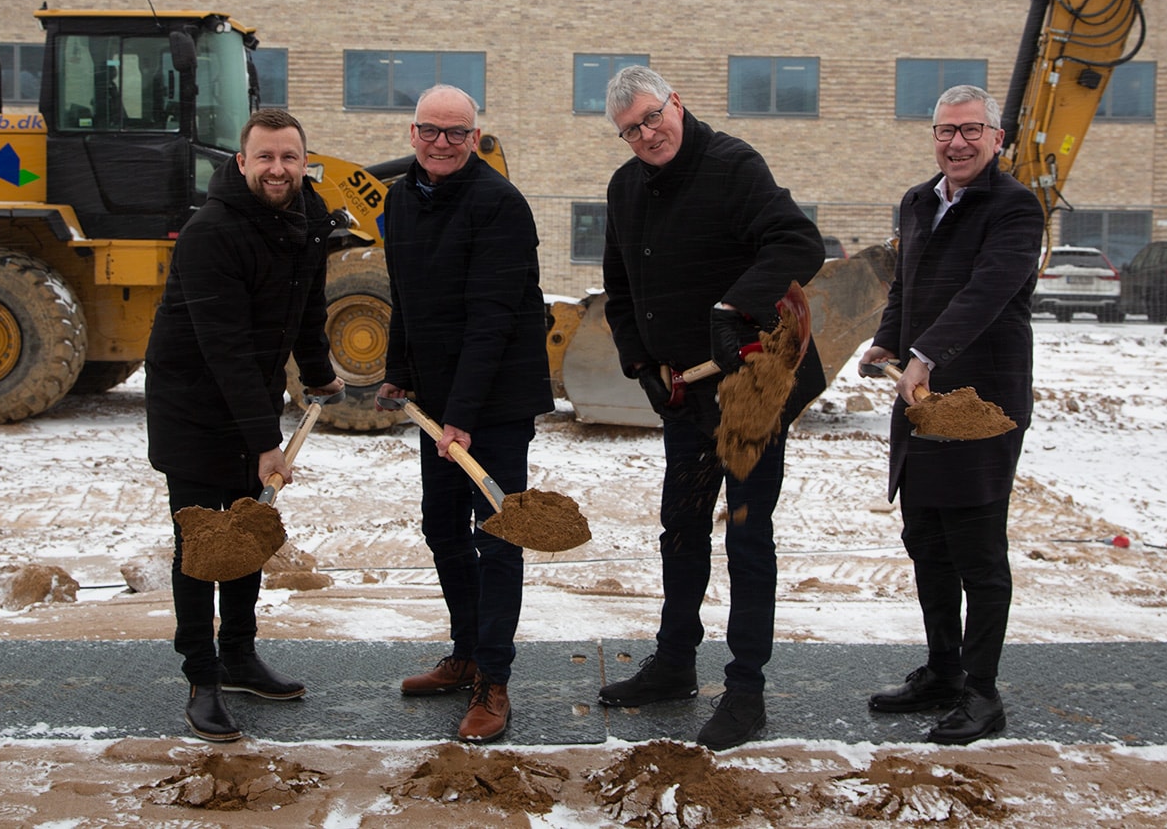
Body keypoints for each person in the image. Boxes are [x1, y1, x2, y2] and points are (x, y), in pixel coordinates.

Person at [595, 65, 825, 750]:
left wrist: (736, 308)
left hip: (751, 389)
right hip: (685, 393)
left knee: (748, 537)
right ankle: (673, 664)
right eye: (630, 130)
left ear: (677, 102)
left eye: (652, 116)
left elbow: (798, 242)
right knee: (682, 527)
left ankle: (746, 692)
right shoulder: (625, 187)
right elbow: (618, 287)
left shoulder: (731, 165)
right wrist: (641, 362)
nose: (646, 134)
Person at [145, 109, 345, 743]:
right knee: (204, 542)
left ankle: (237, 656)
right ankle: (202, 678)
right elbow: (224, 346)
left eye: (289, 157)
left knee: (249, 528)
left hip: (248, 397)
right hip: (194, 404)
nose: (278, 169)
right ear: (242, 162)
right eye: (265, 157)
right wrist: (265, 443)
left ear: (304, 162)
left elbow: (307, 306)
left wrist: (318, 373)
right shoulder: (211, 232)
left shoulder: (310, 219)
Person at [857, 84, 1042, 745]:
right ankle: (941, 671)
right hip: (919, 399)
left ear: (996, 138)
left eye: (971, 130)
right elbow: (908, 285)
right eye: (945, 131)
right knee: (927, 544)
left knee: (976, 553)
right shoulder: (916, 201)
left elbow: (987, 290)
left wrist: (928, 353)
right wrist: (887, 338)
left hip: (978, 406)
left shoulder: (1016, 208)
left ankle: (982, 692)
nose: (957, 143)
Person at [375, 85, 552, 743]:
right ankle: (466, 651)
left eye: (456, 133)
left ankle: (494, 681)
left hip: (494, 405)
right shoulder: (400, 198)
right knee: (442, 529)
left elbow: (493, 319)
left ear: (475, 138)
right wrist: (398, 371)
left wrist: (464, 416)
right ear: (412, 133)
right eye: (431, 130)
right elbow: (406, 298)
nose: (442, 143)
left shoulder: (499, 205)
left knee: (498, 539)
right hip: (441, 403)